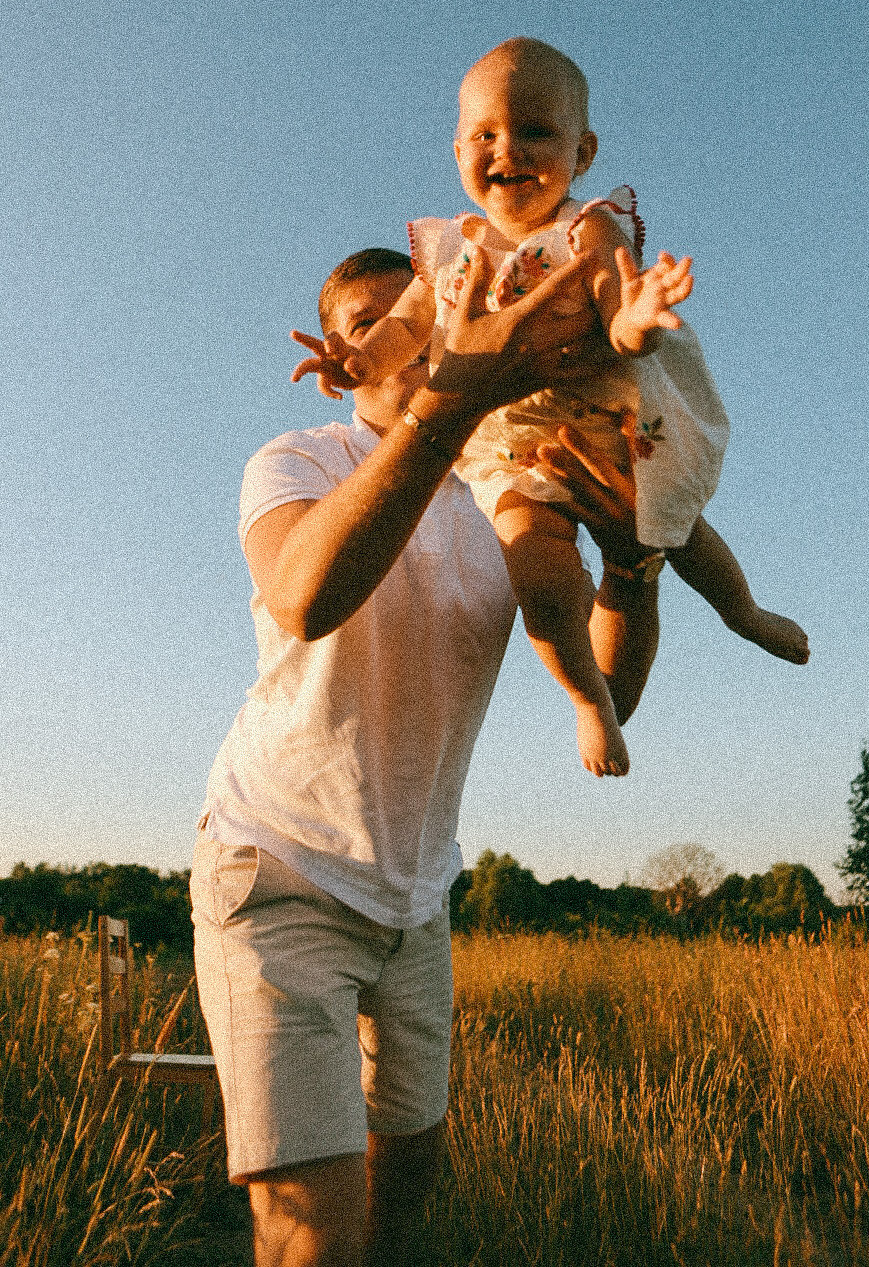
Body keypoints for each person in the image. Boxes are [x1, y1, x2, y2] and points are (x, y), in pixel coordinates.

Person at [192, 243, 661, 1266]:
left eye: (411, 308)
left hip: (418, 902)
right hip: (278, 870)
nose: (394, 328)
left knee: (403, 1196)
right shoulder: (298, 458)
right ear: (342, 354)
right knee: (311, 1239)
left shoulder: (507, 492)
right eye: (364, 319)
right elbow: (304, 596)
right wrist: (442, 411)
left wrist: (632, 567)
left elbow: (609, 691)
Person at [294, 38, 808, 784]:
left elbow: (609, 293)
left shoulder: (587, 224)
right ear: (458, 149)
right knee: (538, 569)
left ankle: (744, 612)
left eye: (535, 131)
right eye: (486, 134)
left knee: (679, 530)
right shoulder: (443, 247)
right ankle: (586, 698)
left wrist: (632, 320)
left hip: (607, 419)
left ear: (583, 150)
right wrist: (358, 360)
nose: (508, 148)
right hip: (509, 449)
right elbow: (406, 328)